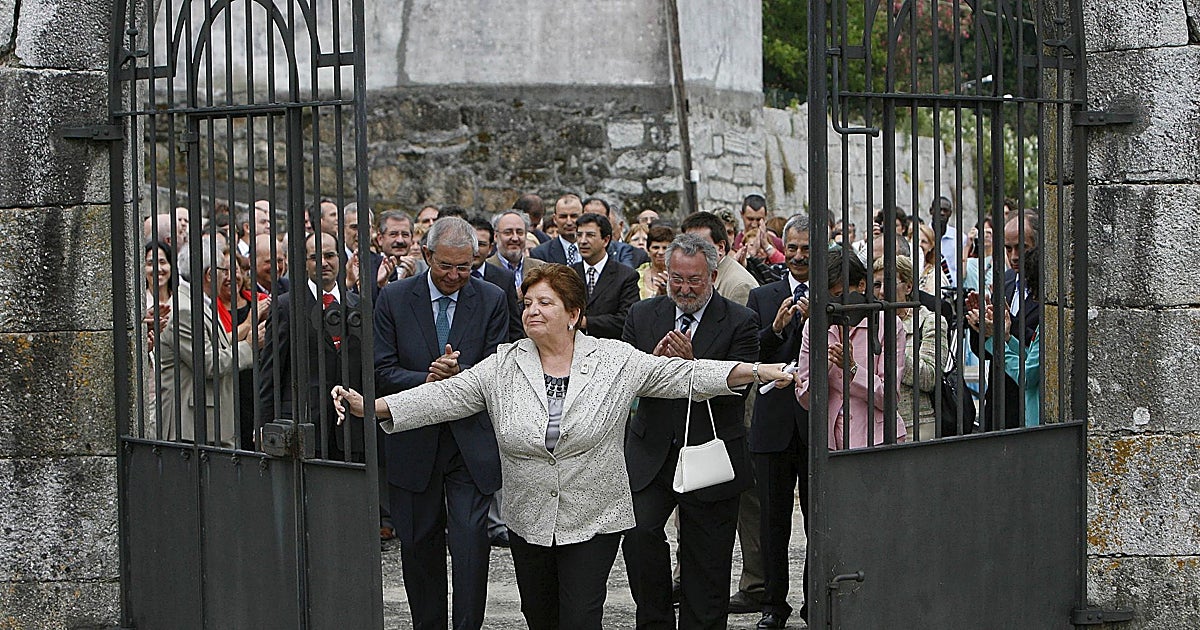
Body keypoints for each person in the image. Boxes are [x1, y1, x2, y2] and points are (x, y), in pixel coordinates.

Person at [332, 264, 796, 630]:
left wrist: (761, 372)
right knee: (541, 617)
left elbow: (689, 376)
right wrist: (372, 407)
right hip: (528, 516)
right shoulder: (504, 364)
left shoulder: (613, 360)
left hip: (593, 515)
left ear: (574, 314)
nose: (532, 311)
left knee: (579, 618)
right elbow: (444, 397)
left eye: (545, 303)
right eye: (528, 303)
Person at [373, 217, 510, 630]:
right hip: (414, 441)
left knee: (471, 545)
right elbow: (381, 369)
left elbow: (497, 368)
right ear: (427, 255)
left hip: (469, 442)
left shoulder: (491, 298)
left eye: (464, 267)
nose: (454, 276)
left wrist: (460, 375)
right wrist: (428, 379)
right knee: (418, 547)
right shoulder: (394, 298)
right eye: (446, 266)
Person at [621, 234, 759, 629]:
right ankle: (655, 618)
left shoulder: (740, 321)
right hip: (651, 451)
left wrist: (693, 366)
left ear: (713, 275)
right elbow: (625, 376)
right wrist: (653, 363)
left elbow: (739, 391)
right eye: (676, 279)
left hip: (710, 452)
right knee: (639, 535)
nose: (684, 289)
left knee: (706, 559)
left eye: (694, 280)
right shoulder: (643, 315)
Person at [681, 210, 764, 608]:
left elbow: (737, 366)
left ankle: (755, 583)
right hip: (673, 433)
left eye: (701, 247)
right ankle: (685, 576)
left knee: (732, 512)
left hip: (724, 424)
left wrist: (692, 362)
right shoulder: (654, 311)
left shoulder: (740, 291)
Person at [745, 214, 811, 628]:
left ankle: (816, 600)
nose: (799, 256)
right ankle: (774, 604)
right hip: (772, 423)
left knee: (819, 517)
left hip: (817, 422)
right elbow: (751, 350)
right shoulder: (763, 295)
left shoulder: (831, 291)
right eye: (793, 248)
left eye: (807, 248)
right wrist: (775, 328)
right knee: (773, 521)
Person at [795, 245, 908, 450]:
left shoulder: (887, 325)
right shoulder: (815, 325)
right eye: (829, 298)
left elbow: (889, 398)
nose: (834, 305)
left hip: (878, 440)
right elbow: (805, 399)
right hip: (829, 444)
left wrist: (853, 368)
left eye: (840, 295)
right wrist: (824, 366)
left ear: (862, 285)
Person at [157, 235, 256, 447]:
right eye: (223, 270)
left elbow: (211, 346)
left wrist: (246, 336)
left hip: (205, 424)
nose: (227, 277)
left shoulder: (198, 302)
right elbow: (208, 363)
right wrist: (249, 347)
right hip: (192, 428)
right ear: (210, 275)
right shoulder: (185, 309)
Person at [873, 255, 944, 441]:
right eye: (876, 285)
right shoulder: (867, 323)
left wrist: (893, 350)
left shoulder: (930, 321)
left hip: (916, 425)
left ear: (909, 287)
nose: (881, 292)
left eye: (888, 283)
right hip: (873, 424)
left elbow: (929, 377)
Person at [570, 213, 640, 339]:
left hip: (612, 347)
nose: (582, 241)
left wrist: (586, 322)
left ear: (606, 240)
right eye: (579, 235)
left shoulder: (626, 276)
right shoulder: (569, 273)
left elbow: (627, 319)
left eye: (590, 235)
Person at [583, 196, 650, 268]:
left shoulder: (636, 255)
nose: (593, 225)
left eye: (599, 219)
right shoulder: (577, 252)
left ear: (620, 225)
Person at [488, 209, 546, 292]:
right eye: (508, 232)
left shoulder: (541, 268)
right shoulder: (486, 269)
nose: (515, 238)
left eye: (520, 232)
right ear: (496, 236)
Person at [530, 194, 584, 265]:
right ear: (555, 219)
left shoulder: (597, 250)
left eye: (574, 216)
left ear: (583, 216)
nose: (569, 222)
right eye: (563, 217)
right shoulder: (540, 254)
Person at [636, 224, 674, 300]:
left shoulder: (680, 275)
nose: (660, 252)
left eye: (665, 248)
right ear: (648, 250)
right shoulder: (636, 275)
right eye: (655, 247)